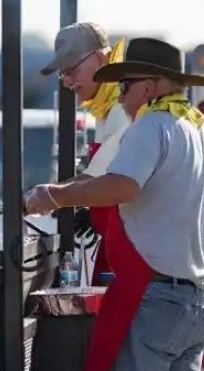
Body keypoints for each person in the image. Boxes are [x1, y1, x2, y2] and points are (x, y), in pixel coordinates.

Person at [26, 38, 204, 370]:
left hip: (154, 300)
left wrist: (55, 196)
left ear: (149, 87)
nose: (121, 96)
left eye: (125, 86)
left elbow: (121, 187)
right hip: (200, 304)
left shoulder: (152, 124)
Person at [40, 22, 145, 287]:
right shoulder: (106, 108)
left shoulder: (124, 110)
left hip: (137, 256)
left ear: (100, 59)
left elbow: (96, 179)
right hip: (117, 245)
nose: (66, 81)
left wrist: (42, 197)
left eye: (71, 70)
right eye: (62, 74)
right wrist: (89, 209)